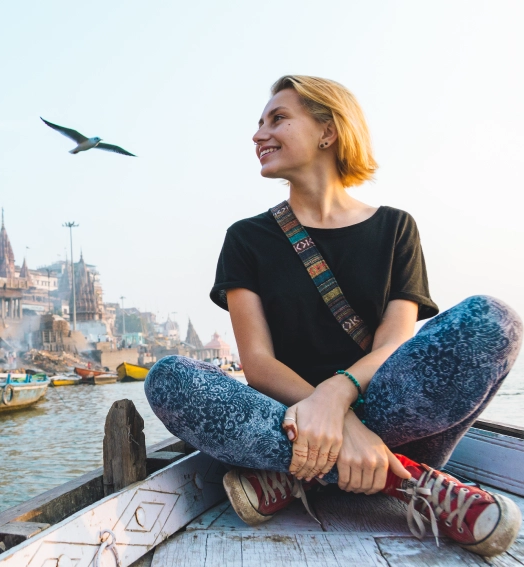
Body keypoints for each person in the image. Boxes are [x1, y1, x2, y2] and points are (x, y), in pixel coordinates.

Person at [144, 75, 522, 557]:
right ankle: (404, 479)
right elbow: (258, 364)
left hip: (383, 408)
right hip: (286, 418)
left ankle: (301, 478)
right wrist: (340, 427)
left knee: (495, 321)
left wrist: (338, 399)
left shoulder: (396, 228)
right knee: (169, 378)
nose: (258, 135)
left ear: (328, 130)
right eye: (258, 124)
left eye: (277, 119)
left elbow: (392, 345)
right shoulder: (246, 238)